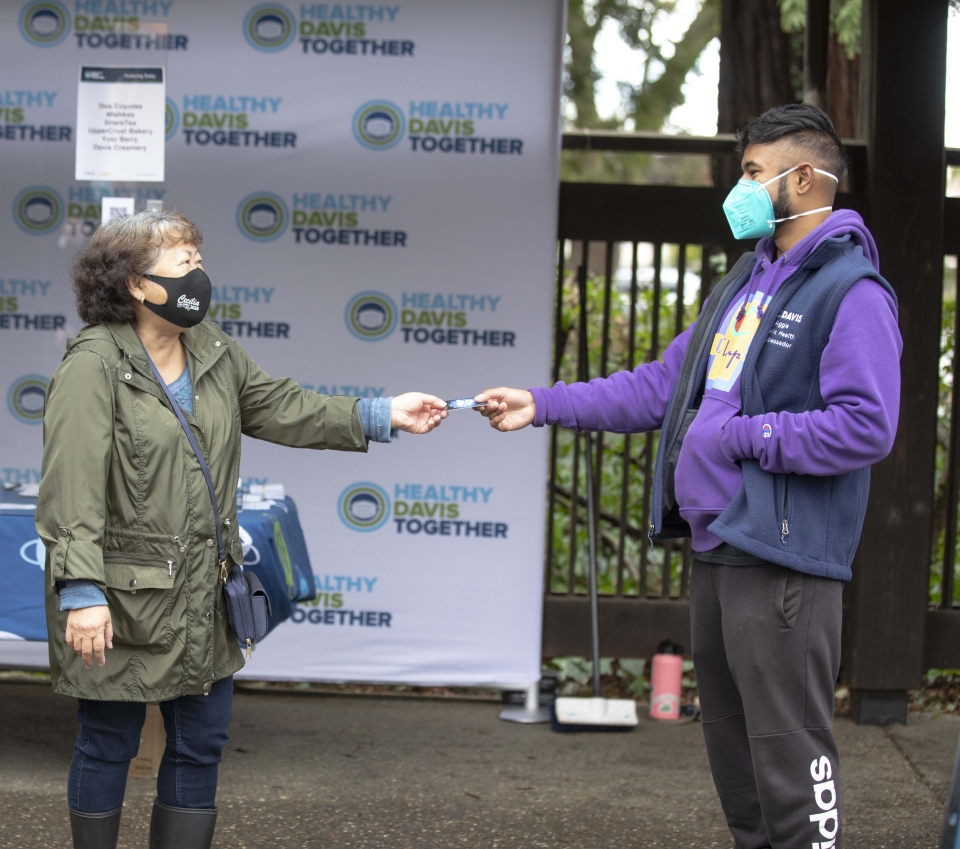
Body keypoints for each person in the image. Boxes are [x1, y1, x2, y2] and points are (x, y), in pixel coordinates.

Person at [476, 104, 901, 849]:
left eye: (752, 172)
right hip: (718, 550)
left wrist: (738, 436)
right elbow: (658, 388)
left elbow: (866, 425)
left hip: (784, 563)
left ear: (803, 179)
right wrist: (541, 403)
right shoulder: (744, 283)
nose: (739, 188)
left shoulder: (852, 291)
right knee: (740, 774)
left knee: (792, 768)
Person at [36, 210, 448, 849]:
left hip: (205, 592)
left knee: (201, 744)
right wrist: (83, 591)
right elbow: (72, 489)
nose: (198, 274)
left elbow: (284, 407)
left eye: (199, 259)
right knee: (108, 742)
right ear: (135, 286)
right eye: (181, 264)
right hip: (123, 596)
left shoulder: (214, 349)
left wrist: (377, 414)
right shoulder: (94, 365)